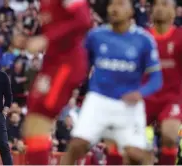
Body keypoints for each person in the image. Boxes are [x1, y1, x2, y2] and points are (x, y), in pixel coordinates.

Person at [60, 0, 163, 165]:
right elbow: (81, 66)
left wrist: (140, 93)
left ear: (131, 11)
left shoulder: (144, 40)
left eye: (121, 4)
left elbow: (156, 79)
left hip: (128, 104)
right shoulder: (96, 36)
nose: (115, 8)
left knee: (137, 156)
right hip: (98, 99)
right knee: (76, 146)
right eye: (112, 4)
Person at [18, 0, 93, 164]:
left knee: (40, 119)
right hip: (52, 63)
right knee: (32, 123)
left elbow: (84, 19)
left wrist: (46, 39)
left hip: (66, 64)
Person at [144, 0, 182, 164]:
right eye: (157, 4)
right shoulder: (142, 36)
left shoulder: (180, 38)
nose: (159, 8)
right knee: (130, 147)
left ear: (175, 12)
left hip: (171, 97)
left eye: (165, 4)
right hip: (144, 97)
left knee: (170, 134)